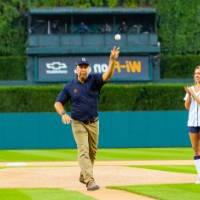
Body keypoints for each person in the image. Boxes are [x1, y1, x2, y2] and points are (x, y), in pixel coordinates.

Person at [54, 47, 120, 191]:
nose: (83, 69)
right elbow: (58, 102)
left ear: (88, 69)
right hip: (78, 123)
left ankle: (83, 175)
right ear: (76, 69)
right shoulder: (70, 86)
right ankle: (90, 181)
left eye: (85, 67)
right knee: (83, 150)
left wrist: (112, 61)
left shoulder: (94, 80)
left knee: (92, 152)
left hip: (93, 122)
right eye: (81, 67)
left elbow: (107, 76)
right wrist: (63, 114)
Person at [184, 65, 200, 184]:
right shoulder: (191, 89)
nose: (197, 76)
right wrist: (189, 95)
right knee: (195, 149)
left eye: (199, 74)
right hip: (192, 122)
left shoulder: (192, 90)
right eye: (196, 74)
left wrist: (193, 93)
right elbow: (187, 107)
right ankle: (199, 175)